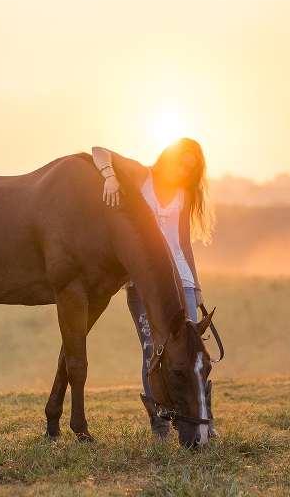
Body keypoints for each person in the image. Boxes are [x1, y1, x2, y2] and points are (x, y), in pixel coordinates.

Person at [91, 138, 217, 438]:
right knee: (153, 350)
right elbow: (99, 151)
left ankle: (205, 421)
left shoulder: (184, 193)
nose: (184, 171)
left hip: (182, 281)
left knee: (191, 352)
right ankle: (160, 424)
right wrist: (109, 176)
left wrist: (196, 286)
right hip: (143, 280)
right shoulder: (141, 174)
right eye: (180, 163)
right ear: (168, 157)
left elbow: (183, 243)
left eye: (190, 169)